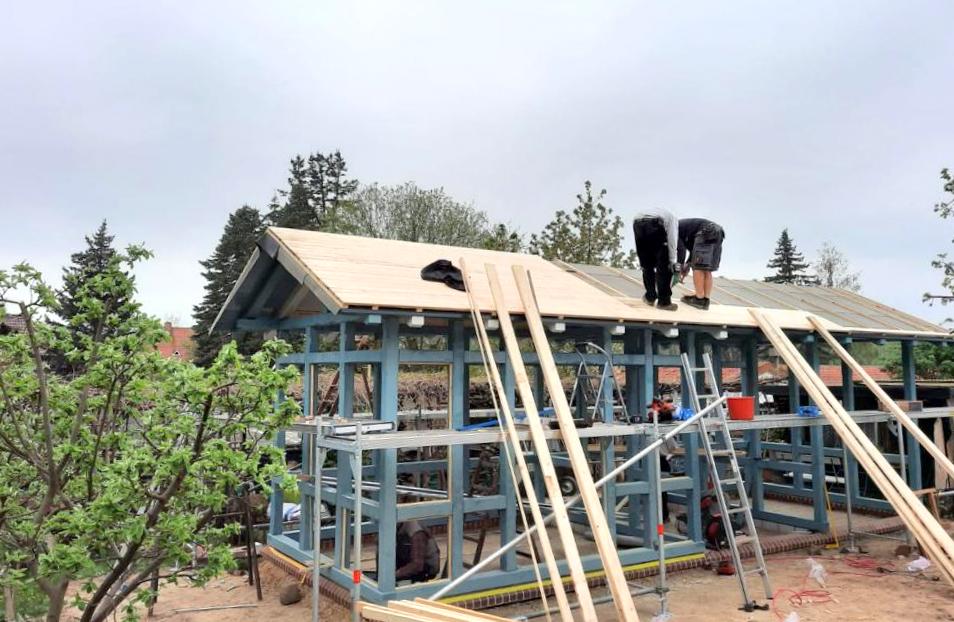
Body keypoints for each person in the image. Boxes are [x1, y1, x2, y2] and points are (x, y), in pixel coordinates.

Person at [633, 207, 680, 311]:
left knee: (646, 264)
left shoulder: (664, 214)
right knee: (663, 266)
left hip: (637, 223)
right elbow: (672, 240)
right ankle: (664, 302)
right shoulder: (673, 219)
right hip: (654, 224)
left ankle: (650, 297)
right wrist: (672, 261)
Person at [677, 218, 725, 310]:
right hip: (718, 233)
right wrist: (687, 265)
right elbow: (693, 251)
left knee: (698, 266)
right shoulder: (683, 229)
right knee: (706, 268)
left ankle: (699, 299)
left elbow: (681, 250)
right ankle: (705, 300)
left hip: (706, 232)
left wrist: (679, 268)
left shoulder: (673, 231)